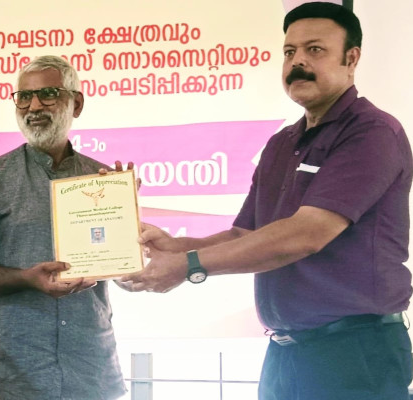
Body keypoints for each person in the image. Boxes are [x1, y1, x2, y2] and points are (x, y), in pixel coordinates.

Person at [120, 3, 413, 400]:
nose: (298, 62)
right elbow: (244, 234)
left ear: (351, 59)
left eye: (315, 50)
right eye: (290, 52)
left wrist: (189, 266)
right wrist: (177, 247)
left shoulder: (371, 132)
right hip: (284, 353)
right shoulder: (282, 143)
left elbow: (307, 234)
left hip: (354, 353)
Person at [0, 55, 127, 400]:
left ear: (76, 103)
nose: (34, 106)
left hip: (91, 373)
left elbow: (125, 273)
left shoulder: (103, 180)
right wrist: (27, 278)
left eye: (48, 94)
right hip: (15, 376)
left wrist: (124, 214)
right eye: (24, 97)